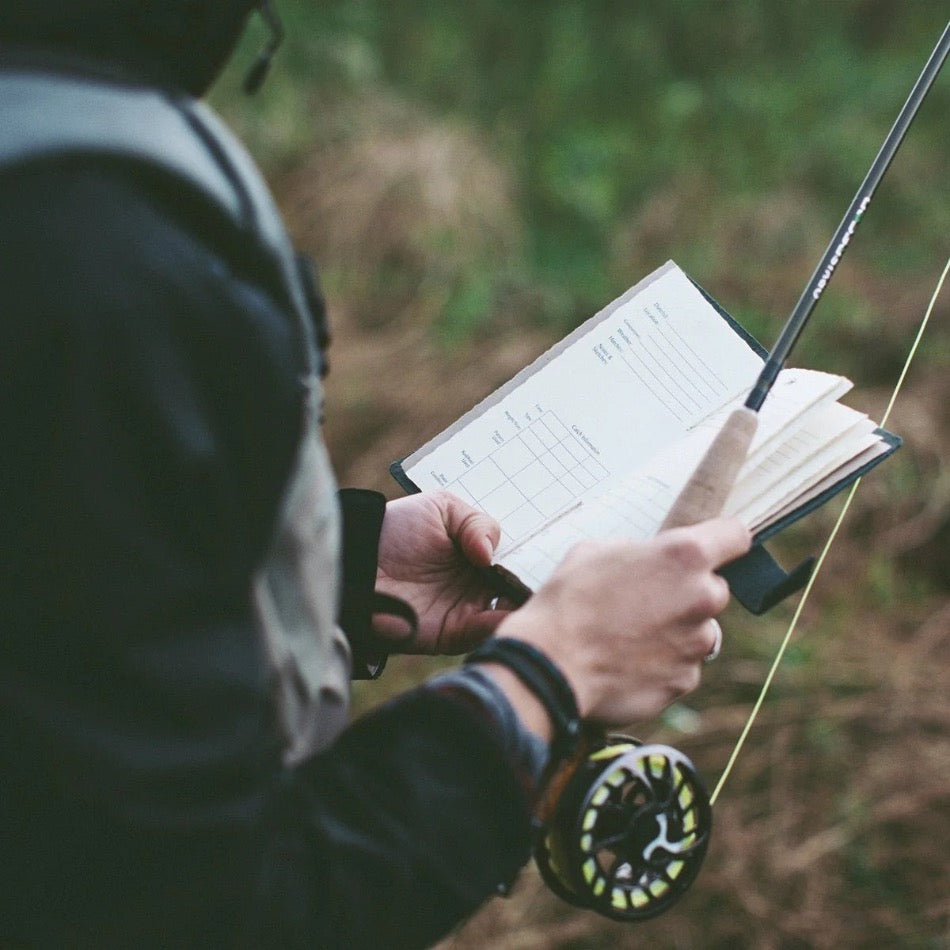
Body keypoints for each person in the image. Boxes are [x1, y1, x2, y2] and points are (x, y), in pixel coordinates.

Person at [0, 2, 751, 947]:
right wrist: (549, 678)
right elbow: (195, 910)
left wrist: (346, 570)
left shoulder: (51, 197)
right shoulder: (96, 277)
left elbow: (49, 584)